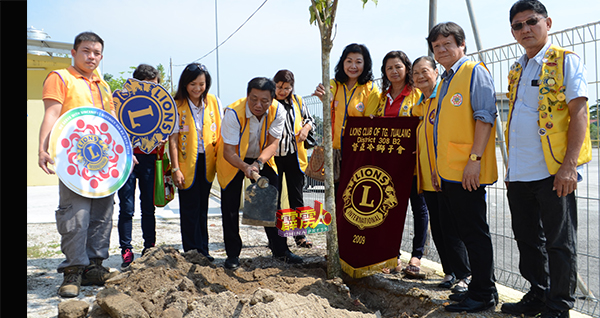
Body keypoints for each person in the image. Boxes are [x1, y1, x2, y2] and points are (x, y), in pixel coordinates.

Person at [501, 1, 592, 317]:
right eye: (517, 25)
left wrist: (569, 167)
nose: (525, 29)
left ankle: (558, 305)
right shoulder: (517, 68)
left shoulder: (565, 61)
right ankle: (538, 294)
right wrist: (510, 168)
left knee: (559, 242)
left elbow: (578, 112)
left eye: (531, 22)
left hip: (554, 170)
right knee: (527, 240)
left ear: (547, 23)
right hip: (520, 172)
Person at [37, 31, 118, 298]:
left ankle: (95, 267)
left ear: (102, 56)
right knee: (76, 215)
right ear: (73, 52)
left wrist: (125, 156)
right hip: (73, 161)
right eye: (86, 51)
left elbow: (112, 125)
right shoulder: (60, 78)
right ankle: (73, 271)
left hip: (104, 163)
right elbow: (52, 113)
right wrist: (43, 147)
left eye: (96, 53)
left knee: (102, 215)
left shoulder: (104, 86)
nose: (91, 56)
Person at [426, 22, 499, 312]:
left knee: (474, 232)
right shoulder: (445, 79)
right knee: (461, 230)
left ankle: (483, 293)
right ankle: (477, 285)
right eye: (436, 46)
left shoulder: (474, 72)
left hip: (467, 171)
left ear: (462, 45)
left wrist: (474, 161)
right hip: (449, 171)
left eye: (447, 44)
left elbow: (485, 117)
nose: (442, 50)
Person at [217, 77, 303, 269]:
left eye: (264, 100)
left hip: (262, 157)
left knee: (271, 199)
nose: (258, 104)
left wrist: (258, 163)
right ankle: (232, 254)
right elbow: (228, 151)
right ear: (247, 96)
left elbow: (273, 143)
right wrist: (245, 167)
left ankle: (280, 249)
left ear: (272, 99)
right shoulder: (233, 113)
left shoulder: (278, 111)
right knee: (230, 206)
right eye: (253, 99)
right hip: (233, 159)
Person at [412, 55, 472, 289]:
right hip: (427, 178)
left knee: (453, 227)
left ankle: (465, 275)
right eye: (415, 73)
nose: (420, 76)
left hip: (445, 175)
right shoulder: (421, 104)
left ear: (436, 72)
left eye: (424, 71)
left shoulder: (443, 98)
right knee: (438, 228)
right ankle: (449, 272)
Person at [371, 51, 428, 278]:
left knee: (419, 209)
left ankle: (416, 256)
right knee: (390, 210)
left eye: (398, 67)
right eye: (389, 68)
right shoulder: (381, 98)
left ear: (407, 69)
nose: (394, 71)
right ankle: (390, 255)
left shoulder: (417, 95)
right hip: (389, 165)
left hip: (413, 164)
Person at [168, 63, 222, 261]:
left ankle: (203, 250)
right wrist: (175, 168)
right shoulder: (175, 104)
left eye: (202, 84)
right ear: (185, 84)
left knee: (203, 209)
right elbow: (172, 139)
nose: (197, 88)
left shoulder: (213, 102)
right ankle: (191, 251)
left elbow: (221, 130)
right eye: (193, 84)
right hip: (185, 163)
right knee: (189, 208)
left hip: (207, 161)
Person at [117, 64, 165, 270]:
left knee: (148, 206)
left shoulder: (161, 105)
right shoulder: (121, 102)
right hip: (126, 159)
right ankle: (126, 249)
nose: (150, 90)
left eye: (154, 86)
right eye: (146, 85)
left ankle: (149, 247)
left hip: (150, 159)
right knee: (126, 207)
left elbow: (167, 127)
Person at [312, 43, 380, 185]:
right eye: (349, 61)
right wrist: (325, 98)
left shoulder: (371, 89)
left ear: (365, 64)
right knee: (335, 195)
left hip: (357, 153)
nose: (353, 66)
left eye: (358, 62)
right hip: (333, 153)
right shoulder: (335, 84)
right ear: (342, 63)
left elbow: (368, 123)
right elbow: (328, 95)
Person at [272, 69, 315, 248]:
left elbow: (309, 119)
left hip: (294, 156)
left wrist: (306, 128)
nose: (283, 91)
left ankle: (300, 236)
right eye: (280, 87)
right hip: (273, 158)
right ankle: (277, 238)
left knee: (297, 197)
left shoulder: (298, 101)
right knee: (274, 197)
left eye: (287, 88)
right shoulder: (269, 102)